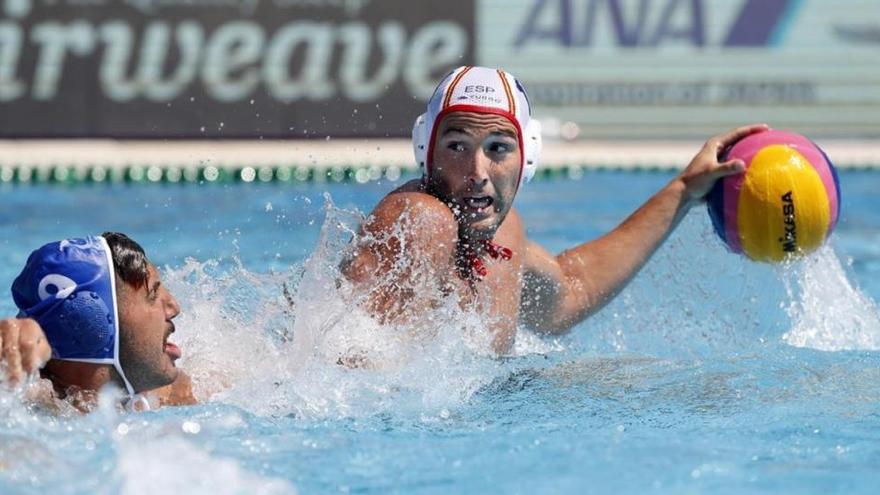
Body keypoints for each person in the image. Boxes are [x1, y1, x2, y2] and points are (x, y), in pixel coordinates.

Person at [342, 65, 768, 354]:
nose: (478, 172)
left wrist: (683, 191)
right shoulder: (420, 221)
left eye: (498, 149)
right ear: (427, 153)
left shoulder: (504, 238)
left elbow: (570, 290)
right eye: (457, 147)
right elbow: (364, 381)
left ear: (525, 159)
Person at [0, 233, 195, 412]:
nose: (174, 307)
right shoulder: (32, 402)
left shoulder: (173, 392)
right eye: (153, 294)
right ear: (90, 322)